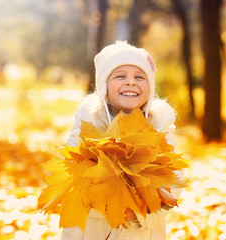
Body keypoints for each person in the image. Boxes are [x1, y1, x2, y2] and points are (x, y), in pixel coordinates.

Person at [62, 41, 179, 240]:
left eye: (140, 77)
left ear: (149, 87)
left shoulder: (159, 129)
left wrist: (141, 215)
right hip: (91, 230)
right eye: (120, 76)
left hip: (141, 232)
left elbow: (172, 185)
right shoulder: (88, 124)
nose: (131, 82)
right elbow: (71, 168)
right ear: (104, 86)